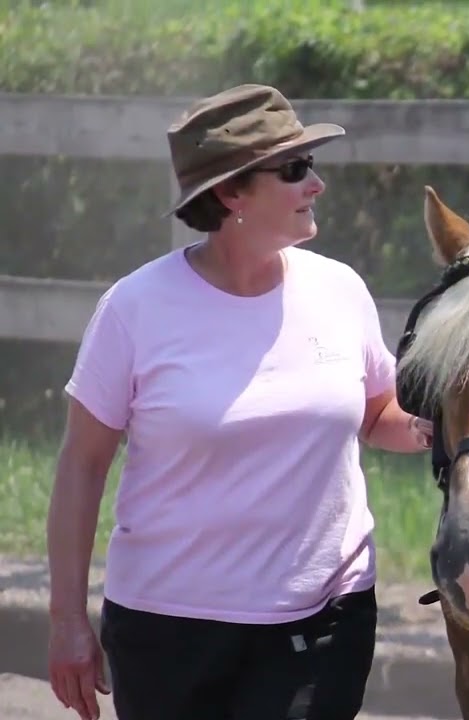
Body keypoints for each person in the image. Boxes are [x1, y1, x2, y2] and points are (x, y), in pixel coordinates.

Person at [45, 84, 427, 720]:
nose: (317, 185)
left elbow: (377, 415)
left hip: (324, 620)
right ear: (230, 194)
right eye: (295, 169)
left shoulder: (340, 290)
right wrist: (65, 621)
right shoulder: (135, 309)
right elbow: (81, 466)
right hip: (168, 633)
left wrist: (455, 429)